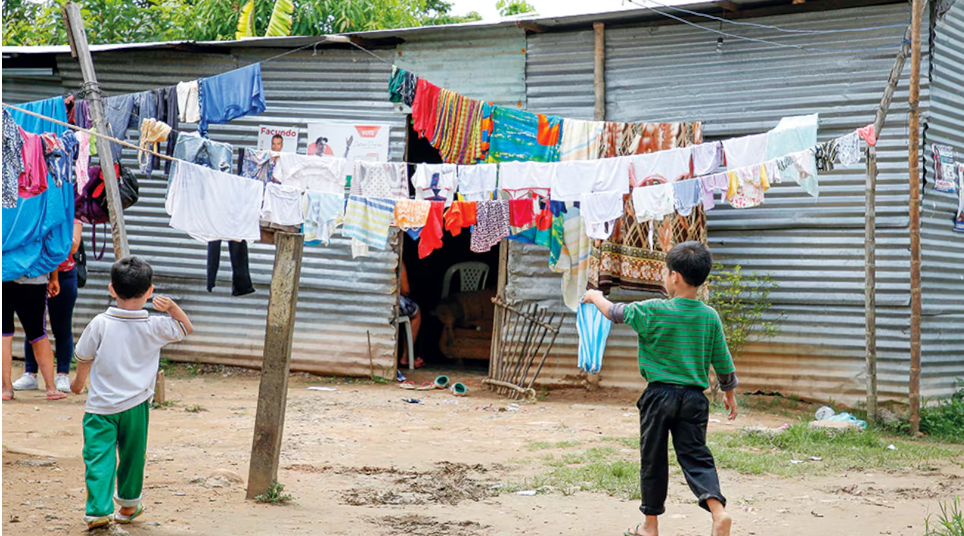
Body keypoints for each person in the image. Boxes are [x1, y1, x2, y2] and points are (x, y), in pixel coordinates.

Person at [582, 241, 738, 536]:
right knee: (696, 456)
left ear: (674, 276)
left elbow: (613, 312)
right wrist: (729, 392)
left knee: (653, 458)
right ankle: (719, 513)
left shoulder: (652, 310)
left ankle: (650, 526)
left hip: (659, 396)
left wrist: (594, 295)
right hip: (694, 399)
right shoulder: (709, 316)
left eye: (665, 271)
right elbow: (723, 361)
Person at [70, 257, 193, 530]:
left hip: (100, 408)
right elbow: (186, 328)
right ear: (150, 291)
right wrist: (172, 307)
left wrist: (78, 383)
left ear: (112, 289)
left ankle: (99, 511)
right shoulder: (156, 324)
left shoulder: (100, 322)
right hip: (137, 406)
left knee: (98, 457)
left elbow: (84, 357)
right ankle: (128, 506)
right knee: (133, 456)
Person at [14, 220, 83, 393]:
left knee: (62, 327)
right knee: (33, 325)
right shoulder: (36, 211)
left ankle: (62, 375)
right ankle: (30, 373)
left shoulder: (73, 218)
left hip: (65, 274)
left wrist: (58, 226)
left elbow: (73, 247)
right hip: (37, 272)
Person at [2, 272, 69, 402]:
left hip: (4, 275)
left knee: (4, 334)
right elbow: (53, 251)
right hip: (34, 278)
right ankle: (51, 388)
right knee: (38, 333)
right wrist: (54, 278)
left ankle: (5, 389)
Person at [399, 261, 423, 369]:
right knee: (416, 312)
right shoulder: (396, 259)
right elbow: (405, 289)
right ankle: (406, 358)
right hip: (388, 302)